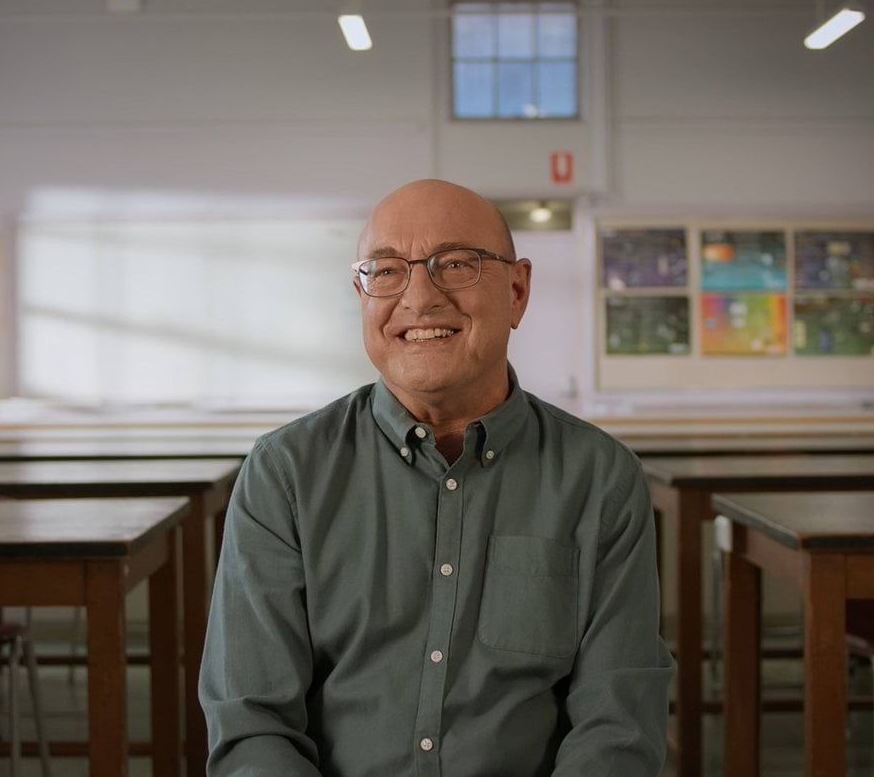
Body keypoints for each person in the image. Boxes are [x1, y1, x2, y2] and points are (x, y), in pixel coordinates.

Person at [199, 179, 673, 776]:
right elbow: (251, 723)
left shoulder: (600, 478)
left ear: (518, 290)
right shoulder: (286, 474)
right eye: (387, 270)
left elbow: (617, 724)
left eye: (456, 264)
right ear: (361, 293)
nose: (419, 298)